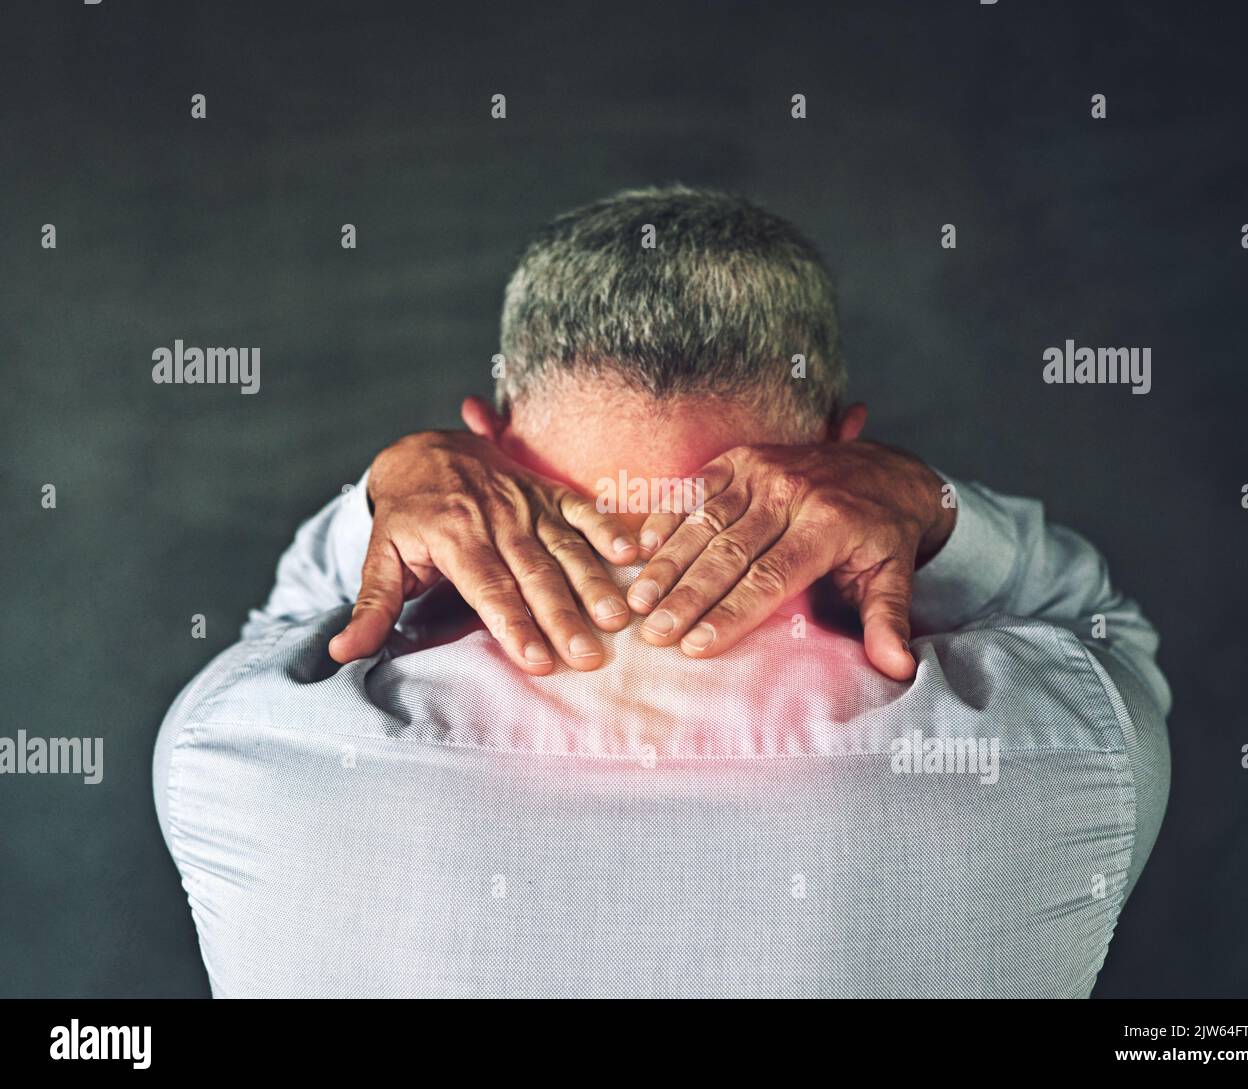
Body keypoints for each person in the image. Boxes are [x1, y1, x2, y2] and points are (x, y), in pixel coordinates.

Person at [154, 187, 1170, 997]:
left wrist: (382, 499)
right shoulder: (1057, 750)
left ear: (482, 435)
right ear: (843, 452)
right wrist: (931, 508)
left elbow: (289, 625)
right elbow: (1100, 627)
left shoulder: (245, 748)